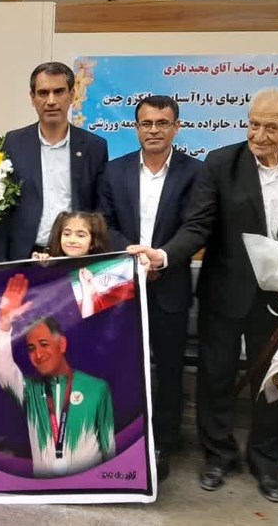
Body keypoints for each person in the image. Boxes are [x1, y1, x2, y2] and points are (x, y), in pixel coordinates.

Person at [128, 87, 278, 502]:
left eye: (271, 128)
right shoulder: (221, 164)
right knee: (215, 377)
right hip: (224, 292)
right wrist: (165, 255)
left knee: (269, 383)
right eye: (253, 124)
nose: (258, 135)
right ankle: (218, 456)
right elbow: (198, 225)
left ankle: (266, 463)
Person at [98, 95, 203, 482]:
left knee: (169, 369)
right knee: (121, 366)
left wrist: (161, 257)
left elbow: (196, 226)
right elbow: (104, 222)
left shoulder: (195, 172)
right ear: (136, 127)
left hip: (169, 283)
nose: (154, 130)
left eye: (162, 123)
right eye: (146, 123)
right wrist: (133, 257)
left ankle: (164, 442)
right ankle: (122, 438)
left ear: (176, 127)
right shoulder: (114, 171)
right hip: (122, 284)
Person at [0, 274, 115, 477]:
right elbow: (3, 370)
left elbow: (109, 447)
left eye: (44, 344)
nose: (38, 354)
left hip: (89, 486)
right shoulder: (29, 391)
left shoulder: (96, 388)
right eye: (31, 348)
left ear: (62, 345)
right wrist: (4, 324)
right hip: (46, 488)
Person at [0, 61, 108, 262]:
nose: (51, 101)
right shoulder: (13, 143)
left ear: (72, 95)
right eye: (43, 93)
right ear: (32, 98)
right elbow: (2, 211)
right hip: (24, 257)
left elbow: (99, 210)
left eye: (59, 92)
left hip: (74, 258)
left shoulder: (94, 146)